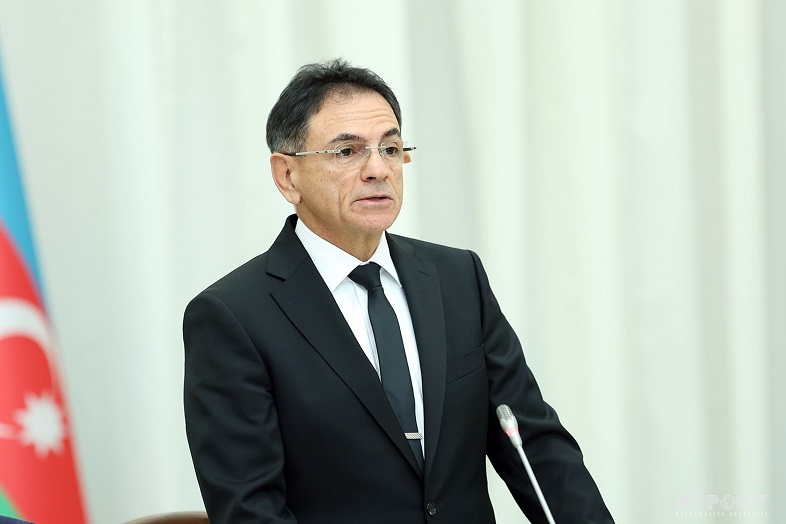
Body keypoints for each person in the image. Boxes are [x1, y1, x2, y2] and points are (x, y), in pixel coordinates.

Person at [183, 58, 614, 524]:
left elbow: (534, 445)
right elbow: (250, 509)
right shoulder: (233, 316)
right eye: (347, 151)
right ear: (288, 176)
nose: (378, 169)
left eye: (390, 148)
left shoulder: (457, 278)